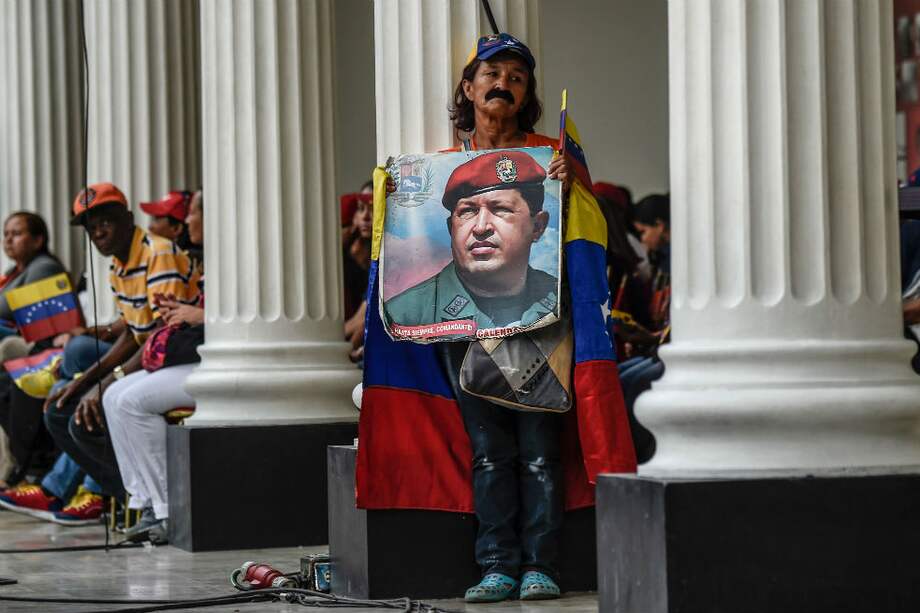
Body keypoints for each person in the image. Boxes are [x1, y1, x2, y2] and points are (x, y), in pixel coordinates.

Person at [0, 183, 197, 524]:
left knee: (103, 395)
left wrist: (103, 383)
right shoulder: (118, 267)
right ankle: (126, 496)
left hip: (180, 356)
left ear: (128, 218)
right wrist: (82, 383)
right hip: (155, 357)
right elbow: (134, 334)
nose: (98, 231)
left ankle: (127, 499)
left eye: (106, 220)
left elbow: (158, 336)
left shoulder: (157, 251)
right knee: (61, 411)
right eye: (91, 226)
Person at [103, 189, 204, 542]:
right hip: (191, 357)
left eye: (193, 212)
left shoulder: (163, 252)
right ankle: (144, 500)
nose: (189, 219)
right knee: (113, 396)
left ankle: (166, 509)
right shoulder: (196, 255)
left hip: (214, 362)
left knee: (131, 401)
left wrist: (197, 314)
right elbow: (142, 326)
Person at [385, 150, 556, 330]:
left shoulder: (564, 298)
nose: (481, 227)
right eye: (467, 211)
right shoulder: (403, 315)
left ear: (537, 226)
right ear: (451, 228)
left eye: (500, 209)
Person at [0, 212, 68, 485]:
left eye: (16, 233)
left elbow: (26, 316)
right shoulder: (14, 272)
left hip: (38, 348)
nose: (8, 239)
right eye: (6, 234)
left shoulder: (42, 267)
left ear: (38, 239)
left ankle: (20, 466)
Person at [342, 181, 373, 362]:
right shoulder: (347, 249)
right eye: (360, 209)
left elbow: (362, 320)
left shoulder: (386, 256)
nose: (366, 217)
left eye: (372, 208)